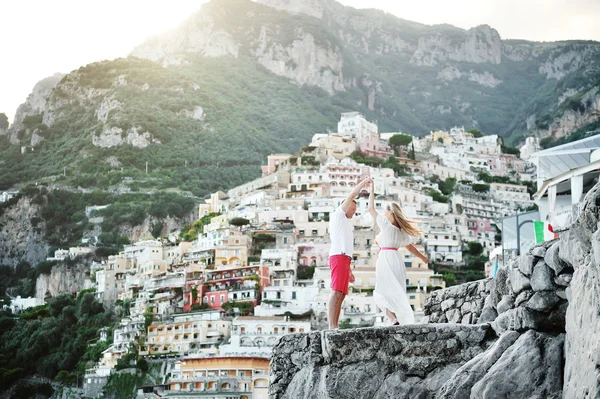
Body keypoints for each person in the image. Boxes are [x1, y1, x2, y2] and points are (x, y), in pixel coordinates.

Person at [368, 179, 429, 326]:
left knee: (380, 292)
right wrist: (423, 258)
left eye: (385, 211)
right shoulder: (401, 231)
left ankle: (392, 318)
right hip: (397, 259)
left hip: (385, 259)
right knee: (396, 291)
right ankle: (397, 319)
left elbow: (371, 209)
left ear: (390, 213)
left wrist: (372, 190)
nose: (383, 213)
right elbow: (410, 247)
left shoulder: (386, 225)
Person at [327, 177, 371, 329]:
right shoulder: (338, 215)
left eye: (355, 210)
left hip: (344, 258)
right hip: (338, 257)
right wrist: (364, 183)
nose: (354, 211)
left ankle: (335, 324)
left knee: (342, 293)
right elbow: (352, 194)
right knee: (336, 291)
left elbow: (345, 246)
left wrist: (349, 269)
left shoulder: (345, 222)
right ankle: (332, 326)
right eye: (352, 208)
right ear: (344, 206)